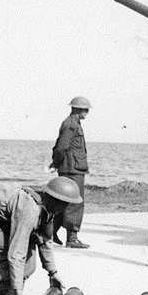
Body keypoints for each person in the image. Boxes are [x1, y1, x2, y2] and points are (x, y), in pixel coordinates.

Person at [50, 96, 91, 249]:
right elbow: (61, 147)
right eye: (85, 109)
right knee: (75, 202)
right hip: (72, 169)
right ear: (77, 109)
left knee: (64, 202)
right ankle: (72, 238)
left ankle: (51, 231)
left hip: (70, 167)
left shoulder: (71, 123)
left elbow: (60, 146)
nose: (87, 112)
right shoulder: (72, 125)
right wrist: (55, 162)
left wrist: (56, 162)